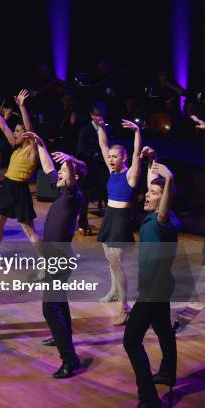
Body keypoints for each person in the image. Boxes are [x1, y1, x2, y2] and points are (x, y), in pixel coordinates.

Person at [27, 132, 86, 379]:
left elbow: (69, 177)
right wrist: (41, 143)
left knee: (50, 309)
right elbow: (50, 168)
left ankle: (69, 360)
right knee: (59, 303)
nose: (59, 175)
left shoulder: (73, 196)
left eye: (65, 172)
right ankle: (62, 336)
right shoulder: (63, 192)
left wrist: (70, 161)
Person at [123, 148, 178, 408]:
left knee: (131, 340)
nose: (147, 195)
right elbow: (152, 186)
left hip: (153, 291)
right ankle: (168, 371)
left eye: (154, 194)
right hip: (160, 286)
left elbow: (164, 204)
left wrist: (170, 179)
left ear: (164, 199)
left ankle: (148, 398)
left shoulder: (162, 220)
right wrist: (151, 161)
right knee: (164, 329)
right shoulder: (151, 216)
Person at [96, 118, 142, 326]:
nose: (111, 159)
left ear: (123, 158)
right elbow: (103, 145)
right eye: (110, 157)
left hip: (121, 220)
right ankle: (114, 291)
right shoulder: (111, 170)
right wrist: (100, 127)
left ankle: (124, 307)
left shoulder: (130, 175)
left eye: (115, 157)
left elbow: (136, 153)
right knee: (109, 259)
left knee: (117, 263)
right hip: (109, 217)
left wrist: (137, 132)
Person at [0, 89, 40, 253]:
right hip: (7, 186)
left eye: (18, 131)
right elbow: (2, 125)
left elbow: (30, 129)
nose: (14, 133)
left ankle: (46, 261)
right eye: (14, 130)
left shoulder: (32, 149)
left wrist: (22, 107)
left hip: (20, 190)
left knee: (29, 231)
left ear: (26, 134)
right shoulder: (15, 146)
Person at [76, 102, 110, 235]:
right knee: (85, 196)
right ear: (91, 115)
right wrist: (95, 155)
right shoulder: (85, 131)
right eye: (97, 115)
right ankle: (82, 224)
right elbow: (80, 151)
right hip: (89, 169)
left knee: (108, 194)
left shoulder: (108, 128)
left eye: (102, 115)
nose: (100, 118)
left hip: (103, 169)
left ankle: (108, 225)